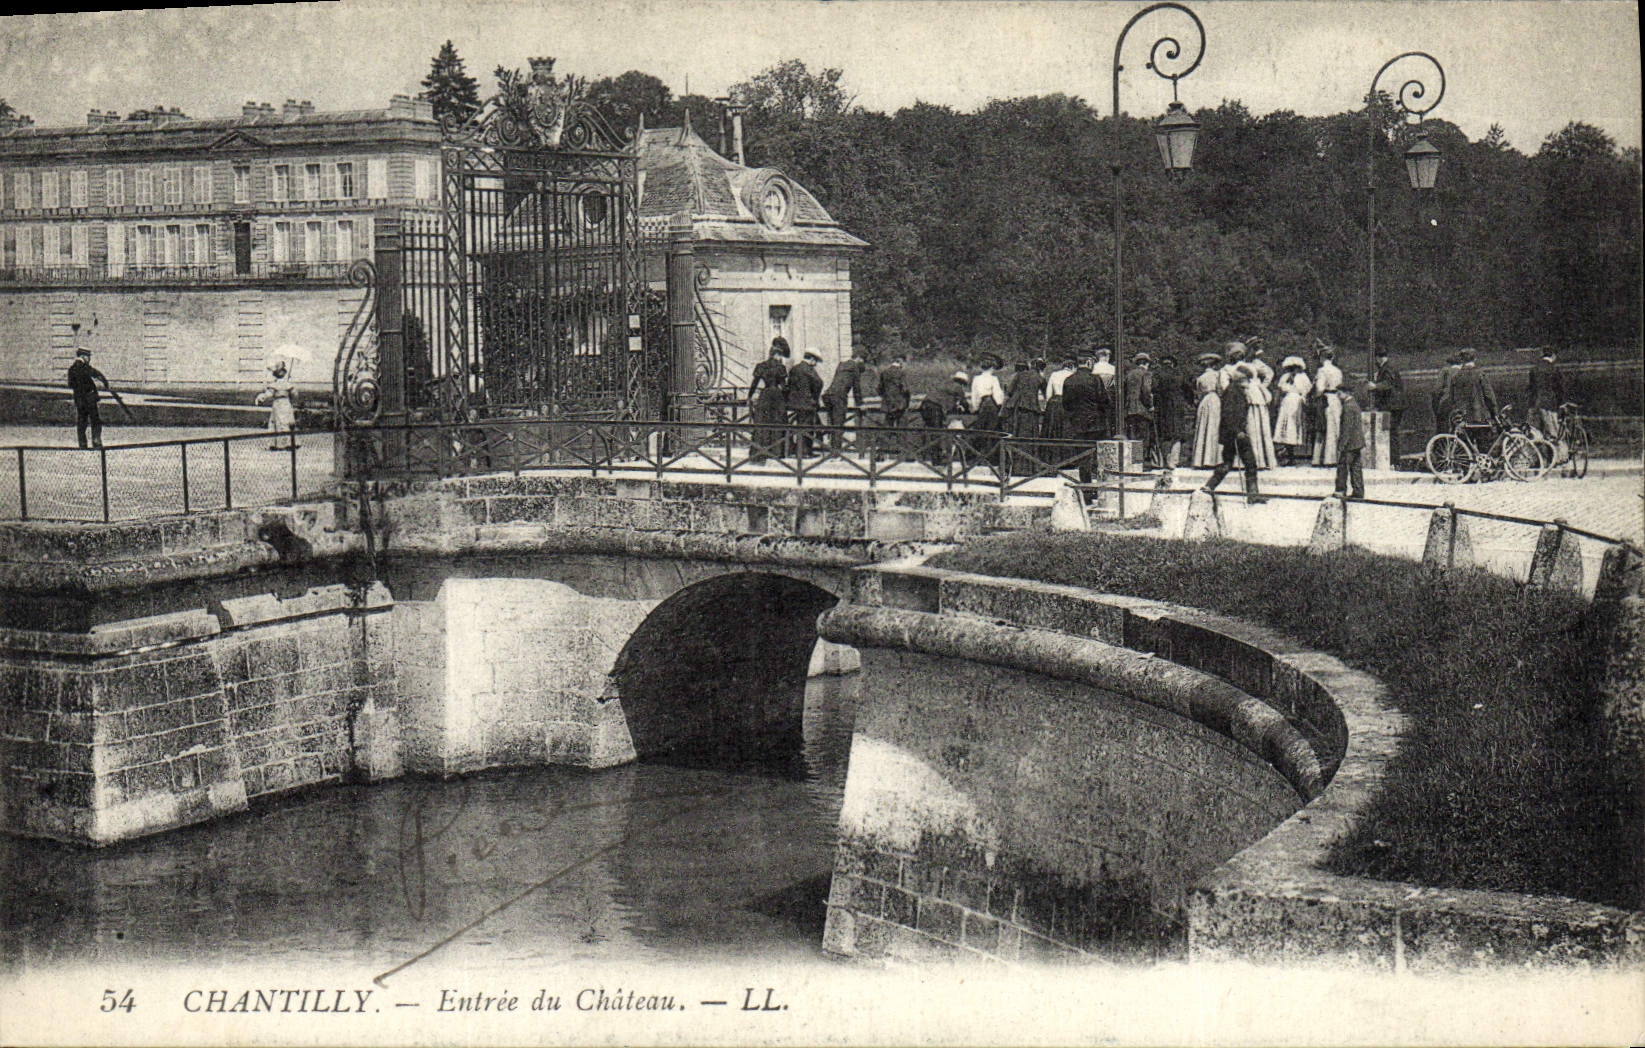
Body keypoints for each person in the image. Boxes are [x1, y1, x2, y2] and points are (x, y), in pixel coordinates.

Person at [1201, 364, 1267, 504]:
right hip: (1236, 434)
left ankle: (1209, 486)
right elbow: (1229, 415)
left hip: (1232, 434)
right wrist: (1238, 432)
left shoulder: (1234, 390)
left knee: (1228, 463)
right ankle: (1252, 495)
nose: (1248, 382)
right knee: (1250, 463)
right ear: (1241, 378)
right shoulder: (1233, 392)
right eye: (1247, 379)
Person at [1060, 352, 1104, 484]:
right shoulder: (1095, 379)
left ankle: (1086, 486)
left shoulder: (1069, 380)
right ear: (1089, 362)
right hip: (1094, 423)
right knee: (1096, 456)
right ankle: (1097, 486)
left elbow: (1066, 404)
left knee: (1082, 457)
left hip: (1077, 424)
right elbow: (1104, 400)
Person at [748, 339, 790, 462]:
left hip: (765, 395)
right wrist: (787, 397)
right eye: (779, 355)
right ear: (777, 355)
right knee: (777, 422)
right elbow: (784, 386)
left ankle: (760, 451)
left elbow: (754, 383)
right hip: (777, 396)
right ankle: (776, 452)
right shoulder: (780, 367)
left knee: (762, 422)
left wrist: (750, 396)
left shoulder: (761, 366)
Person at [66, 347, 113, 449]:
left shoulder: (72, 369)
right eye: (88, 357)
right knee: (95, 420)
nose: (89, 359)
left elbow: (70, 384)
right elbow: (96, 374)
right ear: (83, 356)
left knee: (82, 421)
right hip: (89, 399)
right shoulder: (85, 367)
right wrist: (105, 382)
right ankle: (96, 441)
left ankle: (82, 443)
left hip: (79, 400)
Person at [1273, 355, 1312, 465]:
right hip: (1287, 402)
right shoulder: (1285, 377)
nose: (1293, 369)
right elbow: (1280, 390)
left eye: (1295, 367)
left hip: (1296, 402)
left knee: (1293, 426)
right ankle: (1288, 453)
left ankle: (1291, 455)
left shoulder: (1303, 377)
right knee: (1287, 426)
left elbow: (1307, 390)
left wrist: (1303, 398)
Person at [785, 349, 825, 458]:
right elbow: (817, 384)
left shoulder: (795, 369)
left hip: (795, 403)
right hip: (807, 404)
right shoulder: (808, 370)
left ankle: (801, 450)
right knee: (807, 428)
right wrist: (814, 400)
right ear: (811, 359)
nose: (816, 364)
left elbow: (789, 385)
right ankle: (804, 452)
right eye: (816, 361)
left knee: (801, 426)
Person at [822, 350, 865, 448]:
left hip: (828, 395)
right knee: (839, 425)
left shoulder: (841, 365)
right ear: (858, 358)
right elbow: (857, 389)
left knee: (833, 424)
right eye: (862, 359)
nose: (862, 362)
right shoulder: (855, 367)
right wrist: (860, 404)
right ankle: (836, 453)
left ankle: (831, 448)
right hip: (839, 397)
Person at [1450, 347, 1499, 428]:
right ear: (1475, 359)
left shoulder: (1455, 376)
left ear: (1462, 359)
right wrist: (1495, 413)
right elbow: (1489, 397)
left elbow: (1452, 398)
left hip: (1461, 418)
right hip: (1479, 417)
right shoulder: (1480, 374)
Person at [1311, 347, 1344, 466]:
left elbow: (1320, 389)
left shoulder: (1322, 371)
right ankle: (1334, 457)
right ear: (1332, 358)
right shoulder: (1338, 371)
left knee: (1323, 428)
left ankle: (1320, 459)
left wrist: (1315, 393)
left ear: (1322, 358)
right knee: (1335, 428)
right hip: (1337, 399)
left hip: (1326, 399)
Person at [1333, 383, 1367, 500]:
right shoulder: (1354, 404)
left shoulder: (1347, 407)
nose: (1337, 395)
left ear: (1346, 393)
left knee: (1342, 467)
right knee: (1356, 467)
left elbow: (1347, 428)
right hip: (1357, 442)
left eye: (1339, 393)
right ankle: (1358, 491)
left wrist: (1342, 445)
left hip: (1349, 444)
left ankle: (1340, 490)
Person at [256, 359, 298, 450]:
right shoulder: (288, 384)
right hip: (286, 403)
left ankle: (279, 444)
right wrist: (289, 395)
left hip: (279, 404)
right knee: (286, 422)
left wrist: (262, 397)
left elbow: (269, 394)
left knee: (279, 422)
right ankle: (289, 442)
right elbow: (295, 395)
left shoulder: (275, 385)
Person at [1191, 351, 1223, 468]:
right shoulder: (1218, 375)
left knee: (1203, 428)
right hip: (1215, 400)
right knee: (1214, 428)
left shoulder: (1200, 378)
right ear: (1214, 365)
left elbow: (1198, 394)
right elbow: (1221, 389)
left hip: (1204, 402)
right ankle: (1214, 459)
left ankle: (1201, 460)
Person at [1368, 349, 1405, 450]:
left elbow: (1388, 384)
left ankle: (1393, 460)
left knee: (1390, 433)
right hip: (1394, 405)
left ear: (1378, 358)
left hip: (1391, 406)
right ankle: (1392, 460)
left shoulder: (1387, 368)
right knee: (1390, 432)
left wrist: (1375, 386)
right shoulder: (1387, 368)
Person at [1243, 362, 1277, 470]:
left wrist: (1262, 386)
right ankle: (1259, 460)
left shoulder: (1256, 364)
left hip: (1254, 395)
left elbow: (1269, 373)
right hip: (1253, 394)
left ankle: (1261, 460)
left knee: (1257, 429)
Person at [1124, 352, 1156, 462]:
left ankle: (1133, 461)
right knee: (1143, 438)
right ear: (1146, 363)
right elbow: (1146, 391)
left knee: (1132, 437)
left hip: (1129, 409)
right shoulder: (1146, 374)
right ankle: (1140, 462)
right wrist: (1150, 405)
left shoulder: (1129, 374)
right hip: (1142, 410)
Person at [1527, 346, 1563, 440]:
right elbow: (1559, 389)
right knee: (1552, 434)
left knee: (1534, 434)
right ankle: (1554, 453)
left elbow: (1531, 388)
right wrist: (1560, 404)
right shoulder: (1554, 369)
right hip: (1549, 405)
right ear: (1553, 356)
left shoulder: (1534, 369)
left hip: (1535, 403)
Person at [1040, 357, 1075, 442]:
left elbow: (1048, 393)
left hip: (1054, 402)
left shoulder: (1054, 374)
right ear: (1072, 367)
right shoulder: (1072, 376)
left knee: (1051, 429)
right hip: (1066, 403)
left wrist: (1047, 404)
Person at [877, 352, 910, 428]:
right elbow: (905, 389)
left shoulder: (884, 372)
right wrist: (907, 400)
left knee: (887, 426)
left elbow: (879, 389)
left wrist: (885, 397)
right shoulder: (901, 373)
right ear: (901, 362)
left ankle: (886, 439)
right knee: (902, 428)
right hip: (900, 405)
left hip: (888, 404)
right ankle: (900, 440)